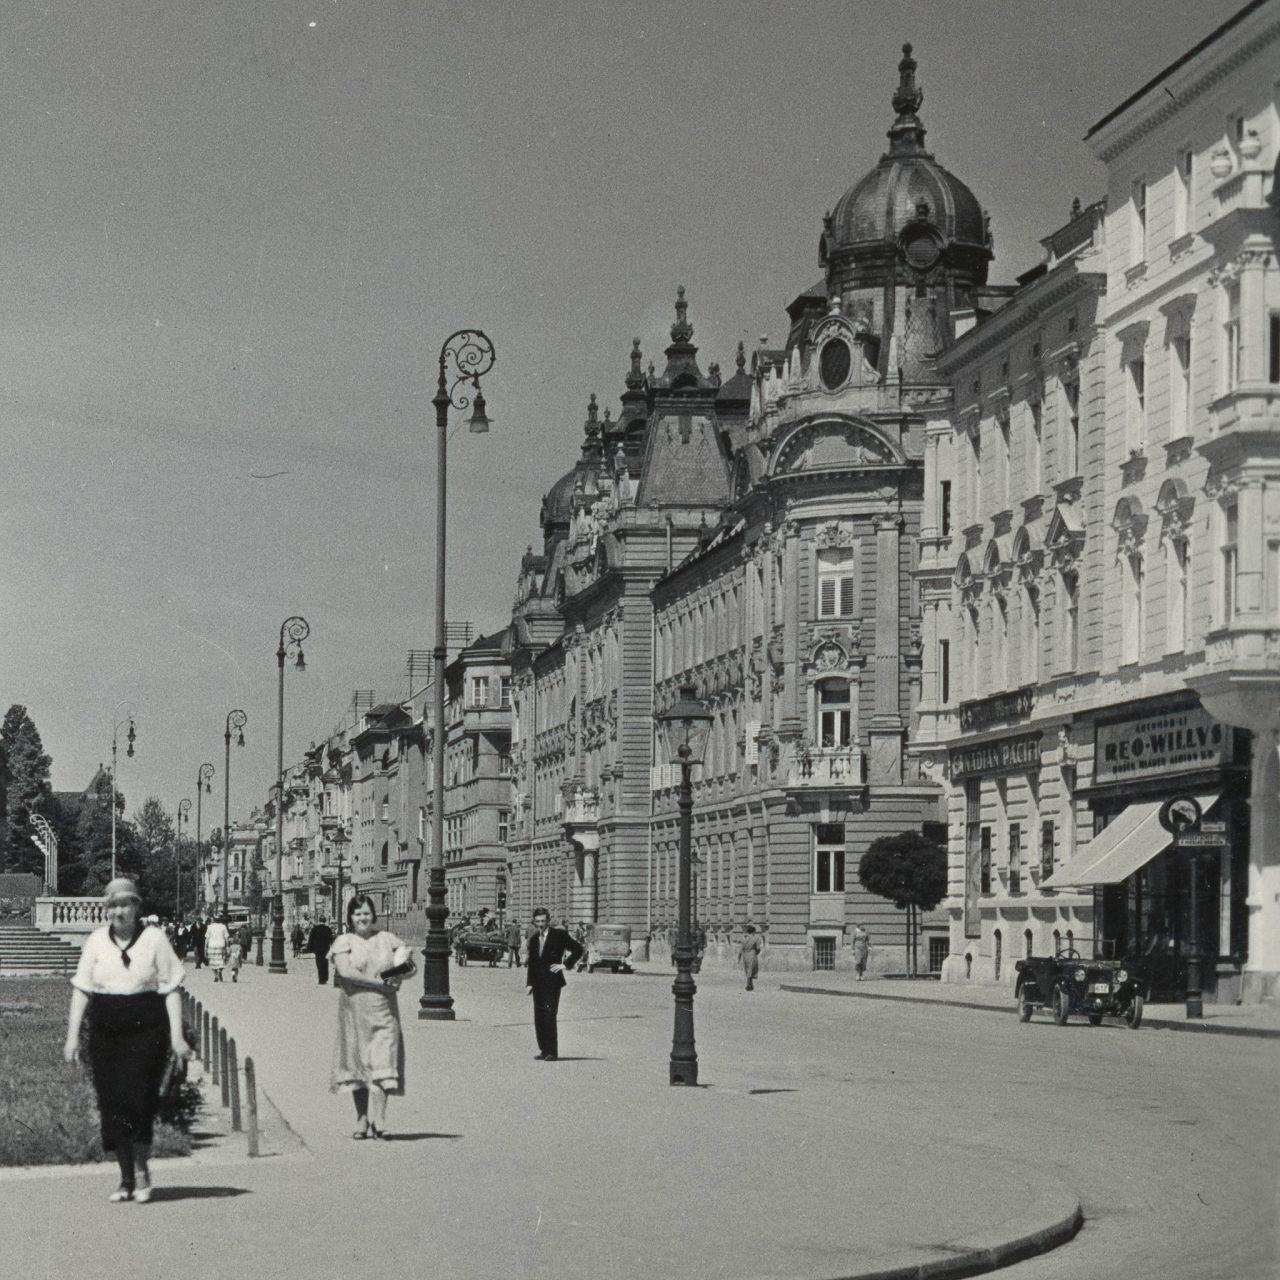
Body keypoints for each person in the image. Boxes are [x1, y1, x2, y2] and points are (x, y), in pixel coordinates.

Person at [63, 878, 189, 1204]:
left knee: (138, 1099)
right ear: (107, 909)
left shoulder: (154, 939)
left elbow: (171, 989)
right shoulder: (96, 941)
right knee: (112, 1104)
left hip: (146, 1027)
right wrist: (72, 1037)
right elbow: (82, 989)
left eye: (125, 904)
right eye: (113, 905)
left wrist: (177, 1037)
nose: (119, 911)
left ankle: (142, 1169)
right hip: (106, 1029)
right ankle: (125, 1178)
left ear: (136, 906)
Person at [330, 894, 411, 1139]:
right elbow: (346, 973)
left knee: (383, 1063)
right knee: (358, 1065)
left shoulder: (387, 939)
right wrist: (379, 984)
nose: (362, 918)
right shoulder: (344, 941)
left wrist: (398, 974)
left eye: (366, 913)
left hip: (384, 1012)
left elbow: (409, 965)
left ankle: (380, 1119)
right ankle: (361, 1119)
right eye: (357, 914)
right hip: (354, 1012)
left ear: (373, 915)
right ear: (350, 917)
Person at [525, 907, 583, 1062]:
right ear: (534, 922)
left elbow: (578, 949)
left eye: (543, 921)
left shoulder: (559, 935)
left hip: (552, 982)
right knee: (539, 1016)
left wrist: (565, 965)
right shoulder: (534, 939)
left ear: (548, 921)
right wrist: (529, 983)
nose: (540, 925)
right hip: (538, 983)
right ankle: (543, 1049)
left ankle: (552, 1051)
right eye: (537, 922)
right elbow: (532, 963)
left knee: (549, 1015)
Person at [308, 916, 335, 985]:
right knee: (325, 963)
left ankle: (321, 979)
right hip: (326, 949)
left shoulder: (315, 929)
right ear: (325, 921)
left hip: (317, 950)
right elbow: (331, 939)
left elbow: (311, 939)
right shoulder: (327, 929)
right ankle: (325, 978)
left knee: (319, 964)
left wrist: (310, 948)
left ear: (319, 920)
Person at [738, 923, 763, 991]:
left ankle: (751, 984)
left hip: (745, 955)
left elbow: (740, 950)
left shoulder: (744, 939)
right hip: (752, 954)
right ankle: (748, 984)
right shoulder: (756, 938)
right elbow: (758, 948)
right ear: (753, 932)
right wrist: (757, 952)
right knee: (751, 969)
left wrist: (739, 958)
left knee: (748, 969)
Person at [205, 914, 230, 981]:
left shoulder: (210, 927)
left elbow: (207, 938)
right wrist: (227, 946)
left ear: (214, 920)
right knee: (221, 960)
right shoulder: (223, 926)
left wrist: (205, 947)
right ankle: (220, 971)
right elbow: (226, 938)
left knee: (212, 962)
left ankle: (216, 976)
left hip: (211, 945)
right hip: (221, 945)